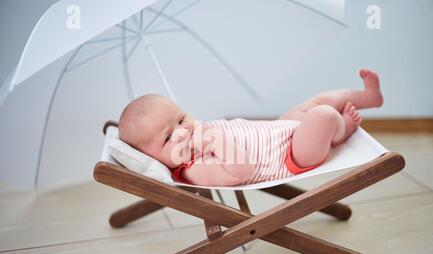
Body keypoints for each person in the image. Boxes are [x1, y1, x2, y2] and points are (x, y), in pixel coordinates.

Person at [118, 69, 383, 186]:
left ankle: (366, 97)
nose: (181, 131)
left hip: (280, 130)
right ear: (153, 158)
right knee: (322, 114)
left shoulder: (197, 134)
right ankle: (340, 132)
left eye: (180, 119)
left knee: (315, 102)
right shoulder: (193, 169)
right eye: (167, 139)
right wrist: (214, 142)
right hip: (290, 156)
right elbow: (242, 171)